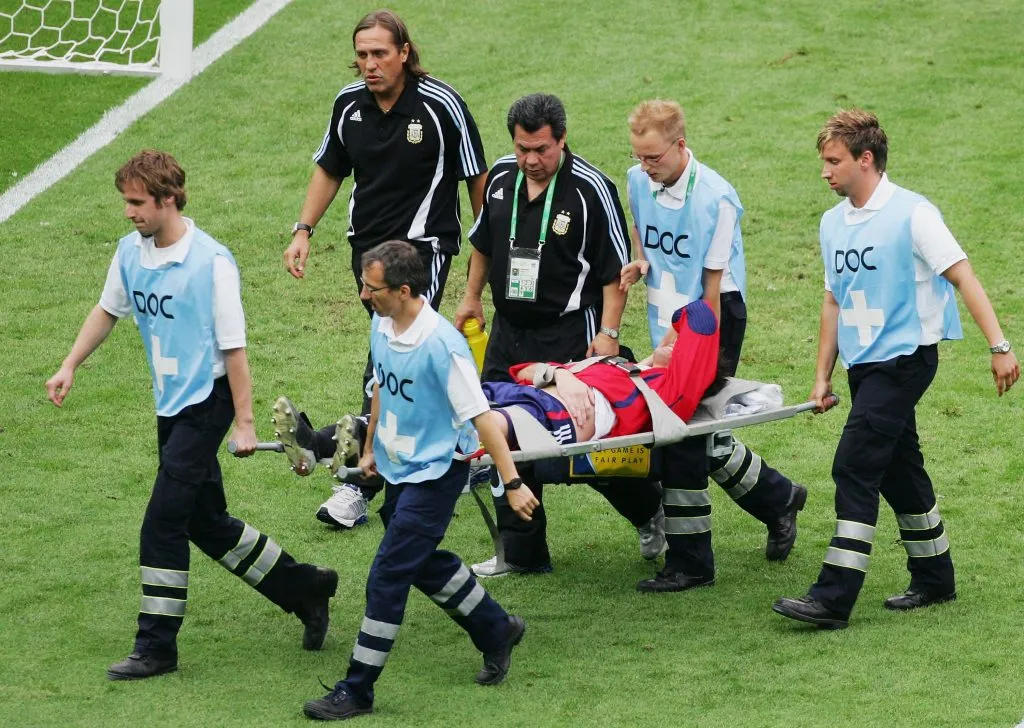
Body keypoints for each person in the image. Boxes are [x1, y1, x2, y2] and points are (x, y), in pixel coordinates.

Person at [45, 150, 339, 681]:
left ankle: (156, 645)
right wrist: (70, 365)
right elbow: (108, 310)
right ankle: (306, 588)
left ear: (167, 199)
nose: (129, 212)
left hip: (208, 402)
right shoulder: (129, 253)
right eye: (126, 202)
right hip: (171, 403)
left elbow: (235, 351)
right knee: (205, 522)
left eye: (137, 203)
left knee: (162, 521)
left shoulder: (212, 263)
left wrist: (244, 423)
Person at [772, 109, 1020, 630]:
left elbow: (962, 275)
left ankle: (832, 597)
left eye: (834, 161)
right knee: (899, 470)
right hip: (864, 365)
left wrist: (999, 345)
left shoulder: (914, 214)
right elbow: (833, 302)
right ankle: (935, 577)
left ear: (866, 160)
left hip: (906, 361)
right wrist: (823, 375)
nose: (825, 172)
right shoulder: (832, 223)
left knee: (854, 465)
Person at [302, 241, 530, 721]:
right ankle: (495, 628)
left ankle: (358, 689)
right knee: (420, 560)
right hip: (401, 468)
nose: (364, 294)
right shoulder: (382, 324)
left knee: (388, 575)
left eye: (373, 287)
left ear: (404, 290)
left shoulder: (443, 346)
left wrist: (513, 484)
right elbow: (382, 386)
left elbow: (484, 420)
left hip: (437, 473)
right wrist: (370, 453)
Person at [283, 9, 489, 526]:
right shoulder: (348, 104)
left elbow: (476, 177)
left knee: (391, 361)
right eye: (362, 55)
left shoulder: (442, 106)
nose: (370, 64)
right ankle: (472, 446)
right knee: (410, 364)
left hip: (422, 253)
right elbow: (331, 167)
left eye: (380, 53)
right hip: (367, 254)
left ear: (404, 52)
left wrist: (489, 252)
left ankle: (353, 476)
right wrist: (303, 230)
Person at [453, 92, 665, 577]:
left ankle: (648, 508)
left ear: (562, 140)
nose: (531, 159)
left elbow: (615, 271)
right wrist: (470, 298)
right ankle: (522, 553)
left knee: (587, 446)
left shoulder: (592, 189)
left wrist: (609, 333)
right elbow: (483, 244)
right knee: (500, 429)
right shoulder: (503, 177)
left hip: (570, 335)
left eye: (541, 150)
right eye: (523, 148)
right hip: (509, 335)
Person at [619, 99, 807, 593]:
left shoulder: (717, 199)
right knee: (698, 429)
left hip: (711, 321)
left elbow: (710, 290)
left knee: (680, 431)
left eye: (654, 157)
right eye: (639, 156)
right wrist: (640, 261)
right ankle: (779, 498)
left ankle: (691, 563)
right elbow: (641, 223)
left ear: (680, 145)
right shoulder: (639, 179)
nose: (644, 167)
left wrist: (675, 346)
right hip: (667, 315)